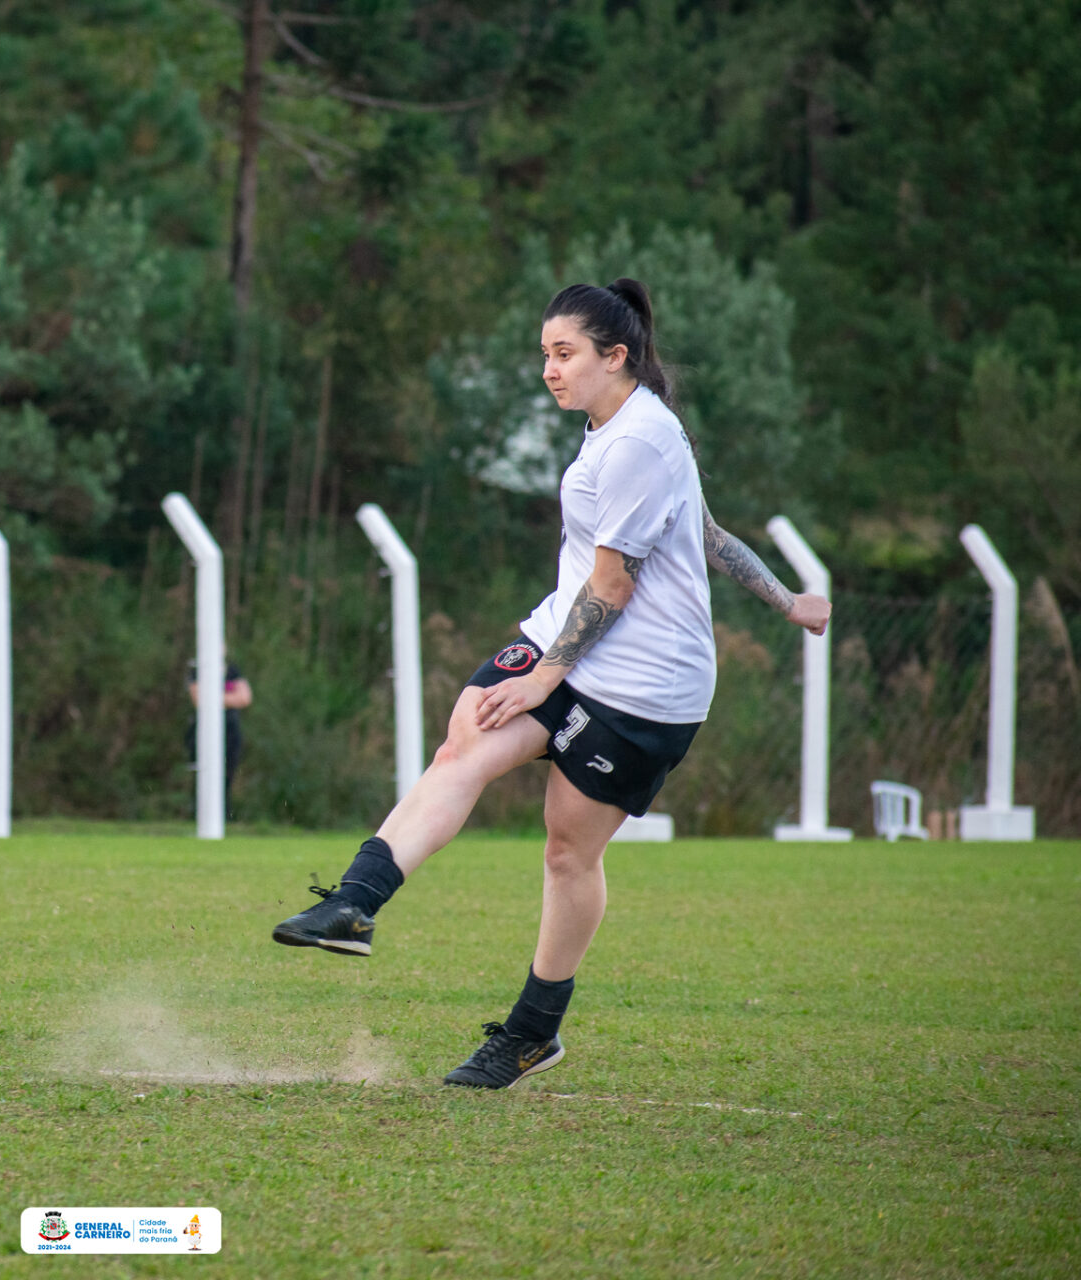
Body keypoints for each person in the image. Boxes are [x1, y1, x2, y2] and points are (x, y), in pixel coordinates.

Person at [271, 279, 830, 1089]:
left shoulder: (642, 439)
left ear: (617, 356)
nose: (549, 371)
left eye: (564, 354)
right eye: (545, 355)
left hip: (644, 685)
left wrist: (543, 680)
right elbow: (705, 531)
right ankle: (354, 902)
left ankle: (533, 1032)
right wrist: (786, 599)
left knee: (569, 851)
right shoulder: (615, 429)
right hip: (570, 644)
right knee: (464, 740)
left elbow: (614, 587)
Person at [186, 649, 253, 820]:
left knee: (227, 775)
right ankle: (199, 817)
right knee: (204, 775)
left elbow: (245, 698)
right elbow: (199, 700)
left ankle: (225, 818)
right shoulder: (197, 671)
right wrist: (230, 698)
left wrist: (213, 698)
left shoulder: (232, 670)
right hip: (202, 730)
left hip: (231, 730)